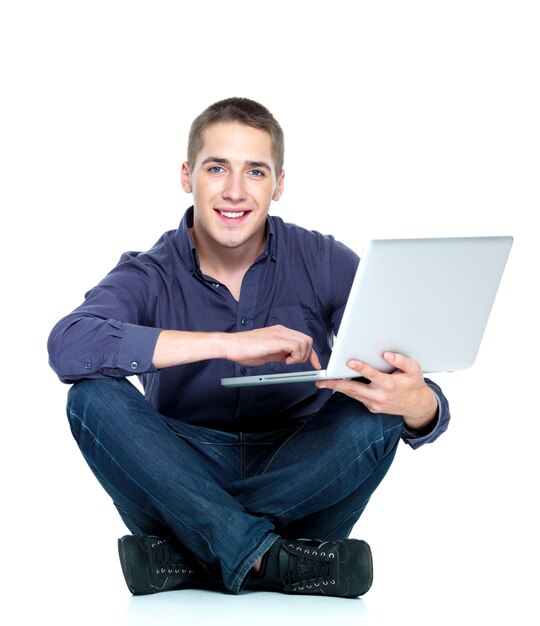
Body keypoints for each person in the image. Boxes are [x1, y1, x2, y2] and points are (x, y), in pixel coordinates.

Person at [47, 97, 450, 598]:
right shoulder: (149, 271)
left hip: (301, 469)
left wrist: (419, 405)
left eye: (255, 172)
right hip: (178, 465)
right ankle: (278, 559)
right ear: (186, 175)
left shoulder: (324, 259)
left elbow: (399, 373)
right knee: (91, 400)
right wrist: (226, 344)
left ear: (278, 184)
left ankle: (195, 551)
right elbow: (69, 344)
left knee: (375, 414)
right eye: (217, 168)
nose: (234, 191)